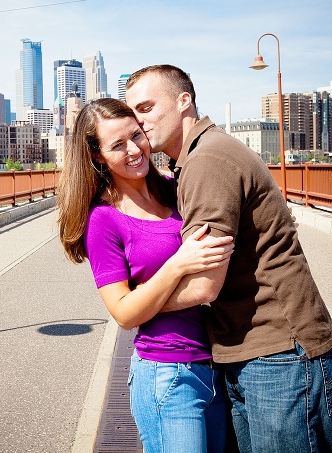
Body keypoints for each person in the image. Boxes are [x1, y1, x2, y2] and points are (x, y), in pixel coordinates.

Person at [125, 65, 332, 453]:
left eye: (146, 107)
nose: (139, 123)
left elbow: (205, 285)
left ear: (184, 101)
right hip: (253, 352)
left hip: (279, 354)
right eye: (133, 113)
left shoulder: (208, 160)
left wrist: (136, 305)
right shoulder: (197, 158)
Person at [57, 97, 235, 453]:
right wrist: (179, 264)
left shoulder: (175, 188)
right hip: (169, 374)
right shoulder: (103, 220)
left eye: (136, 136)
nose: (134, 150)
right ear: (97, 156)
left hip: (222, 365)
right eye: (117, 145)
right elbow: (123, 313)